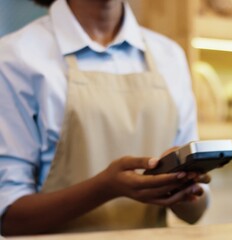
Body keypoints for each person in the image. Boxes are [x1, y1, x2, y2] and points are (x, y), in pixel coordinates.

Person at [0, 0, 210, 236]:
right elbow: (9, 218)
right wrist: (105, 189)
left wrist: (180, 187)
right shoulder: (14, 57)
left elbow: (195, 213)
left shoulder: (170, 56)